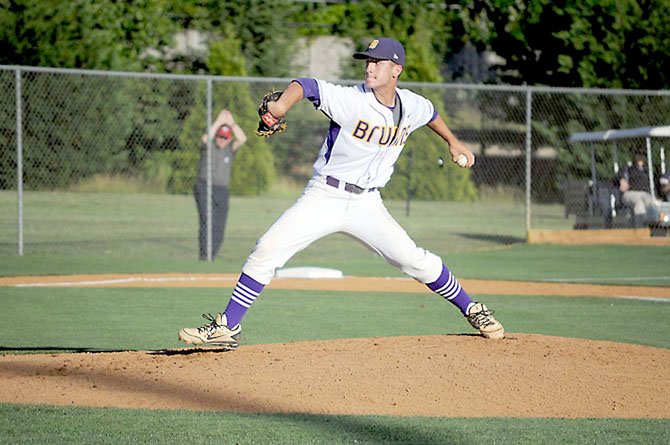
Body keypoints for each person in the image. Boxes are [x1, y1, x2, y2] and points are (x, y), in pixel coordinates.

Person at [179, 37, 504, 348]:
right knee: (267, 249)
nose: (370, 67)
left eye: (377, 62)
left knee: (413, 260)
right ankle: (227, 327)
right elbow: (306, 85)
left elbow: (431, 114)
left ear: (396, 69)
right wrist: (279, 106)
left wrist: (452, 141)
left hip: (367, 204)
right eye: (367, 61)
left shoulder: (412, 105)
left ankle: (472, 308)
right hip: (325, 196)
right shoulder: (351, 99)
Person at [194, 109, 247, 261]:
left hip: (222, 190)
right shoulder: (209, 146)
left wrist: (232, 123)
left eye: (225, 137)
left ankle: (213, 253)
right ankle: (205, 255)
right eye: (220, 136)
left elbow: (242, 138)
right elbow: (206, 138)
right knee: (207, 219)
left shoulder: (230, 149)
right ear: (217, 136)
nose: (222, 140)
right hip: (205, 187)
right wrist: (218, 122)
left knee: (220, 224)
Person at [618, 153, 653, 227]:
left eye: (642, 157)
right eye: (638, 158)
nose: (640, 159)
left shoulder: (647, 170)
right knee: (639, 202)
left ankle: (647, 226)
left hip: (645, 194)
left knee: (651, 203)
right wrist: (622, 180)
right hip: (631, 193)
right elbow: (619, 176)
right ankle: (640, 229)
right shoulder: (628, 168)